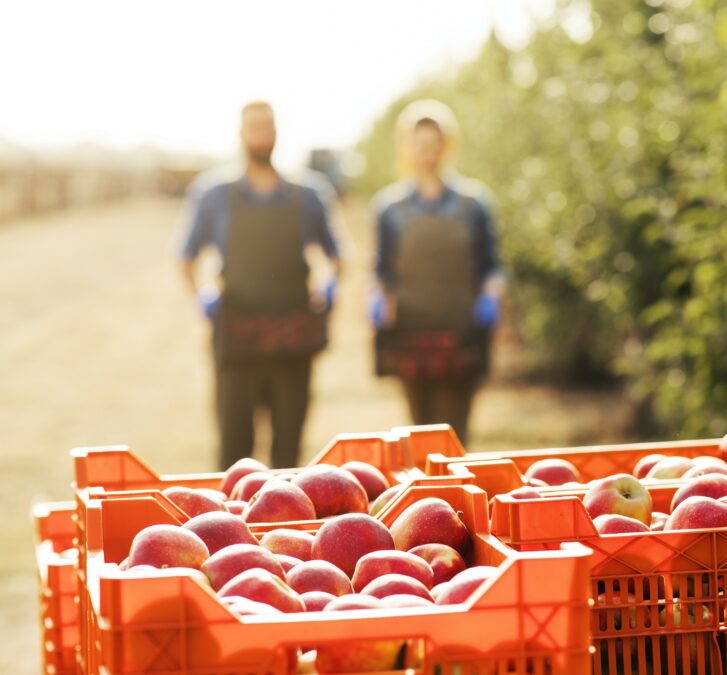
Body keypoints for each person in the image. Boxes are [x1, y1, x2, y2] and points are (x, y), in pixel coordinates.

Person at [180, 101, 341, 470]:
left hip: (293, 338)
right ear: (241, 134)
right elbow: (186, 256)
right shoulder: (214, 194)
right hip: (237, 339)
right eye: (253, 127)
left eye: (267, 127)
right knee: (234, 455)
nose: (261, 135)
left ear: (277, 134)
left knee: (290, 453)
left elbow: (336, 256)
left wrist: (331, 287)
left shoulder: (309, 194)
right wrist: (201, 294)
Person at [370, 100, 504, 444]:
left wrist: (491, 296)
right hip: (411, 331)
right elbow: (382, 271)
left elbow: (492, 267)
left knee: (453, 433)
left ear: (447, 146)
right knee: (418, 430)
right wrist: (378, 300)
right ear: (407, 147)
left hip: (461, 329)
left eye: (434, 144)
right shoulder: (390, 208)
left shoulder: (474, 204)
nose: (427, 152)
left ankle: (454, 498)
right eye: (419, 144)